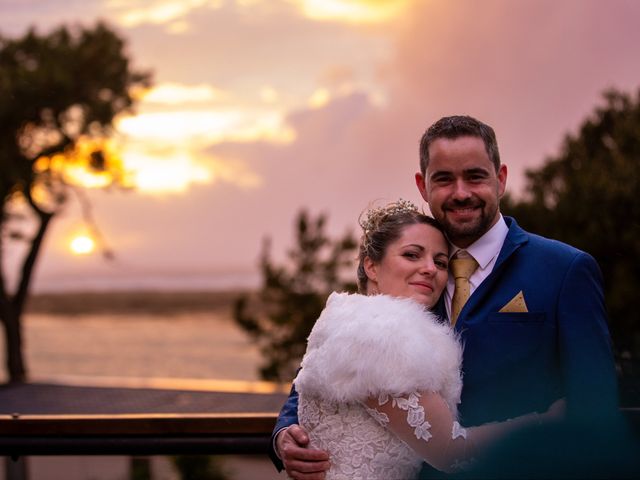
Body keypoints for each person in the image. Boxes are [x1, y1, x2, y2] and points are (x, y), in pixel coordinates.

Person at [270, 116, 620, 479]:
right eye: (444, 179)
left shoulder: (564, 270)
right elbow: (329, 369)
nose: (461, 192)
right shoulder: (405, 276)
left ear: (500, 179)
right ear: (423, 186)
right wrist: (285, 435)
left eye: (475, 176)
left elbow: (595, 408)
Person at [287, 200, 562, 479]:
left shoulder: (347, 322)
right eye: (412, 255)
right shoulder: (376, 335)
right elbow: (453, 453)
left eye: (440, 262)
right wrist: (547, 421)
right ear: (371, 266)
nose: (430, 268)